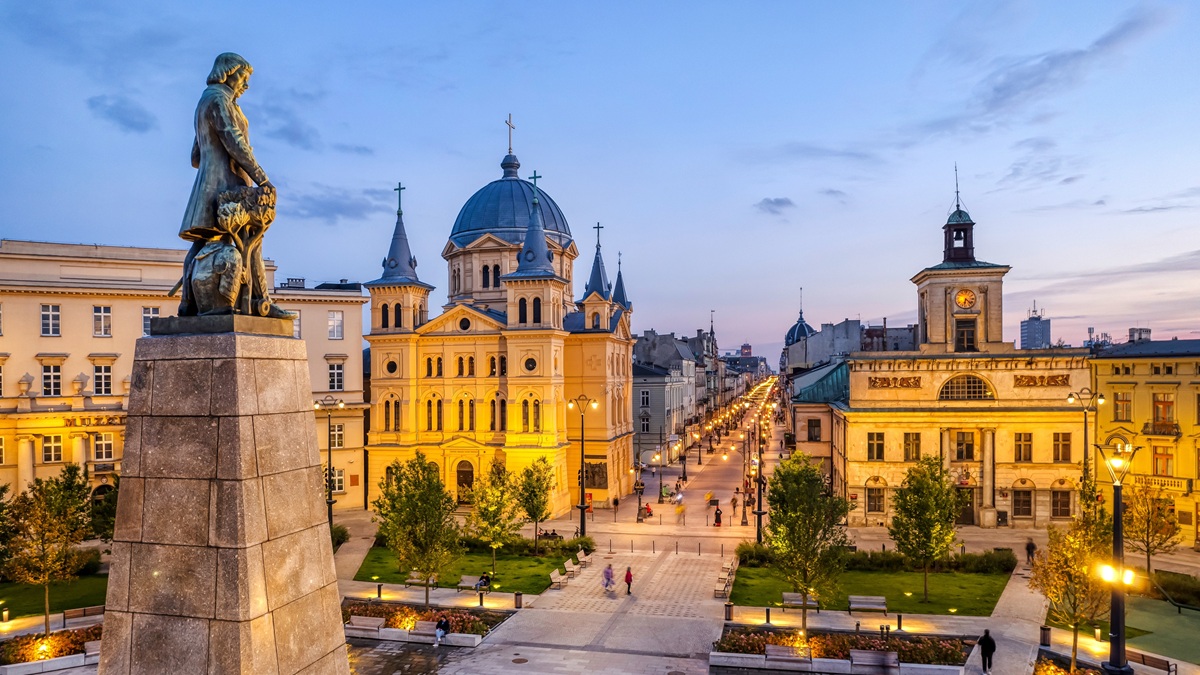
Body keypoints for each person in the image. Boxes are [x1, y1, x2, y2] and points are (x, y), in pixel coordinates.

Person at [178, 52, 292, 319]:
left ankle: (187, 302)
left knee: (201, 244)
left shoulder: (205, 100)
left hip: (207, 183)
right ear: (228, 73)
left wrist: (211, 154)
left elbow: (195, 157)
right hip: (227, 182)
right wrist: (262, 178)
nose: (246, 84)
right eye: (243, 76)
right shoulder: (220, 99)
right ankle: (260, 302)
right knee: (252, 240)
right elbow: (235, 142)